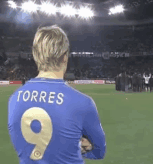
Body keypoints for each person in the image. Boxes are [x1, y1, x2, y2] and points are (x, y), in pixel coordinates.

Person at [8, 25, 106, 164]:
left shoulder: (14, 100)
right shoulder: (82, 102)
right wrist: (79, 146)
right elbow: (99, 151)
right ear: (65, 57)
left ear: (35, 55)